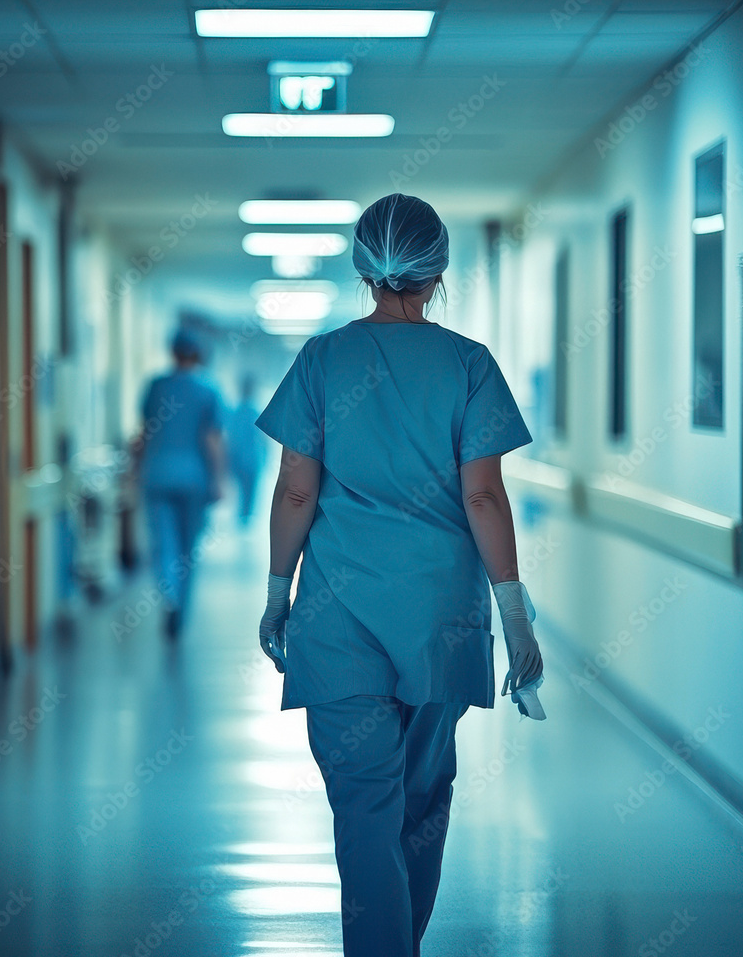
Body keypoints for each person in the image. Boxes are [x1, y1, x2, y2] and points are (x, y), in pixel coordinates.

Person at [253, 193, 545, 957]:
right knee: (422, 804)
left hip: (338, 617)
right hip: (440, 620)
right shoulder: (468, 363)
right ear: (437, 271)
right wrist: (515, 619)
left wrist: (277, 595)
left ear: (365, 270)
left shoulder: (322, 360)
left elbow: (295, 489)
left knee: (364, 808)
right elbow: (483, 494)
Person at [133, 327, 225, 638]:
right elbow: (211, 439)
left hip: (157, 475)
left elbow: (144, 435)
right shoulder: (208, 390)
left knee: (163, 543)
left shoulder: (156, 387)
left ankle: (168, 595)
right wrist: (218, 480)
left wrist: (133, 474)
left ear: (172, 352)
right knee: (188, 549)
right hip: (193, 479)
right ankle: (181, 606)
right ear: (198, 354)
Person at [224, 373, 266, 528]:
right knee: (249, 491)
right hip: (251, 460)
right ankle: (245, 518)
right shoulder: (256, 411)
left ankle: (243, 516)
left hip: (238, 459)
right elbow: (263, 440)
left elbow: (229, 437)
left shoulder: (235, 412)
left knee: (242, 490)